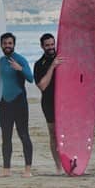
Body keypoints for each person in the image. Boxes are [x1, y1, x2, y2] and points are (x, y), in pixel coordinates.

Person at [0, 32, 34, 177]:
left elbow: (31, 78)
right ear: (1, 45)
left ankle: (28, 169)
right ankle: (6, 169)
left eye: (10, 43)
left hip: (19, 102)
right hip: (5, 103)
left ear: (14, 45)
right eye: (5, 43)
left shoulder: (20, 59)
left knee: (23, 134)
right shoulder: (1, 61)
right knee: (6, 136)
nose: (7, 46)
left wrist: (20, 68)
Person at [33, 33, 63, 174]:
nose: (51, 48)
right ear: (42, 47)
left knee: (66, 132)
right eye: (47, 45)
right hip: (49, 102)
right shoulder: (39, 64)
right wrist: (53, 66)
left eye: (52, 44)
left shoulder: (63, 58)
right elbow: (42, 86)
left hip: (65, 101)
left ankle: (70, 161)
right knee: (53, 134)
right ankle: (58, 166)